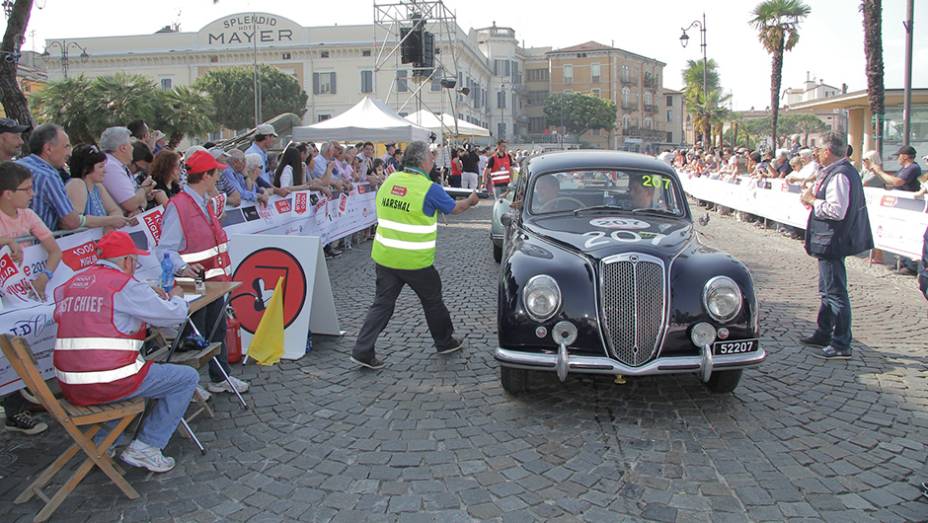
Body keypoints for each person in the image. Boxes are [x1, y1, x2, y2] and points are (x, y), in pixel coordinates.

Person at [52, 230, 197, 472]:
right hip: (108, 382)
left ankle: (104, 441)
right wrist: (178, 297)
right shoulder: (122, 284)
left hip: (69, 383)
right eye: (135, 261)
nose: (136, 266)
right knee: (186, 378)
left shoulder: (73, 283)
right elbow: (174, 316)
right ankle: (146, 447)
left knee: (132, 366)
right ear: (126, 260)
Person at [351, 141, 481, 369]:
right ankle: (445, 342)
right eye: (431, 160)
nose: (433, 164)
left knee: (382, 304)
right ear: (423, 162)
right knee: (433, 301)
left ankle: (362, 349)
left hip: (385, 257)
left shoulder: (390, 181)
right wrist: (471, 201)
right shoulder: (428, 188)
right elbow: (455, 208)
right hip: (414, 261)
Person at [159, 151, 249, 394]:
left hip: (213, 279)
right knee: (194, 333)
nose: (219, 177)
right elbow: (165, 249)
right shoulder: (179, 206)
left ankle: (219, 377)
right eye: (216, 173)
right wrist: (181, 267)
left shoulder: (203, 202)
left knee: (216, 328)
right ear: (206, 176)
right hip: (193, 281)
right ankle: (190, 384)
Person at [0, 162, 64, 436]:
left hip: (25, 293)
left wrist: (45, 275)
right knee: (8, 347)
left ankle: (44, 390)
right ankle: (15, 410)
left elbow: (54, 250)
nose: (32, 194)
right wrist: (6, 239)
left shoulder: (28, 214)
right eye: (26, 189)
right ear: (7, 193)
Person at [799, 132, 873, 360]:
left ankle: (841, 342)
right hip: (829, 240)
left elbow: (836, 210)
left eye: (818, 150)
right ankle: (824, 331)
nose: (816, 154)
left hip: (833, 240)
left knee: (835, 293)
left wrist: (812, 201)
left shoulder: (840, 174)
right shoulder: (838, 171)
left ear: (828, 151)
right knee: (827, 290)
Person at [65, 145, 132, 228]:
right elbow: (76, 220)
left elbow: (115, 210)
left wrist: (109, 226)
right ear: (86, 169)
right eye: (100, 166)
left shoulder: (97, 186)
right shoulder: (76, 184)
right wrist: (109, 221)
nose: (105, 170)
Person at [100, 126, 158, 215]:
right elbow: (132, 204)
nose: (133, 148)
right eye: (130, 144)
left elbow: (139, 202)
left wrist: (141, 203)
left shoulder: (120, 165)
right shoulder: (111, 166)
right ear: (123, 148)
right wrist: (144, 189)